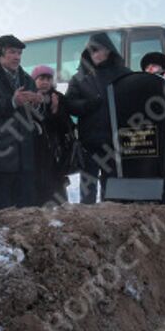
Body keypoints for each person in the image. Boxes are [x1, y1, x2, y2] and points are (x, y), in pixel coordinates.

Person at [0, 35, 41, 209]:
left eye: (19, 53)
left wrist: (37, 103)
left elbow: (35, 116)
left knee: (26, 211)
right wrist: (11, 102)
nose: (17, 57)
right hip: (0, 156)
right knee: (3, 211)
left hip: (25, 156)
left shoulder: (27, 79)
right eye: (12, 52)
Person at [65, 33, 131, 203]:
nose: (95, 54)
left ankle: (112, 226)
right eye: (91, 51)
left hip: (115, 143)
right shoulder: (79, 78)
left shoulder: (124, 74)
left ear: (108, 51)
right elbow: (69, 103)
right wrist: (86, 105)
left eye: (98, 50)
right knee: (87, 192)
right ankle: (87, 228)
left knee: (113, 193)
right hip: (90, 144)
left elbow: (135, 99)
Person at [31, 65, 73, 205]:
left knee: (57, 193)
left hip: (55, 154)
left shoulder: (58, 98)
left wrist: (55, 111)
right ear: (34, 80)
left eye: (48, 79)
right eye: (41, 78)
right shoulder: (29, 98)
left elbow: (65, 126)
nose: (45, 82)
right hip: (34, 153)